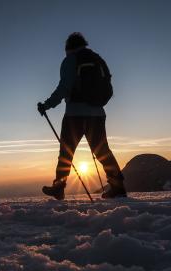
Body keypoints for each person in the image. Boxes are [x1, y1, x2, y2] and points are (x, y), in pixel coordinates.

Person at [37, 32, 126, 200]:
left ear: (68, 48)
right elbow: (107, 85)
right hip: (98, 114)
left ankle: (59, 187)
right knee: (102, 151)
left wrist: (47, 105)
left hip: (75, 115)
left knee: (66, 153)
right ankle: (118, 186)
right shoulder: (97, 58)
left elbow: (64, 87)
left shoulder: (71, 60)